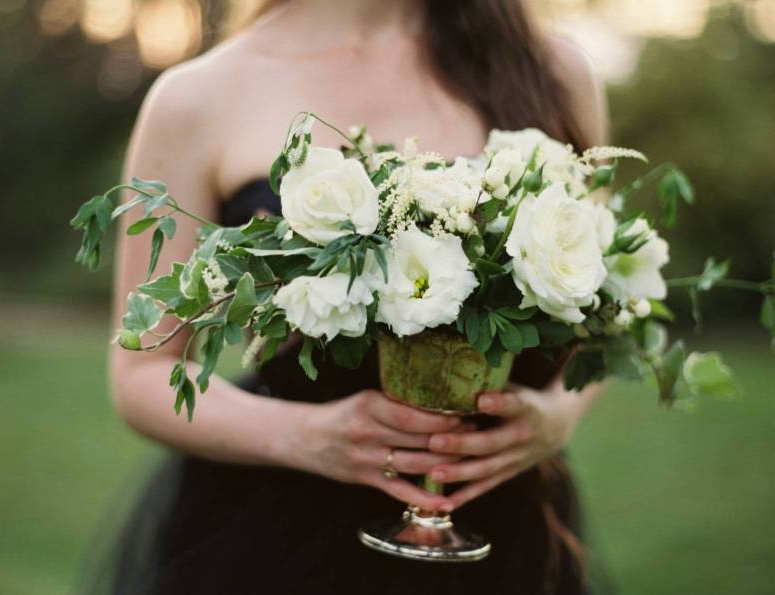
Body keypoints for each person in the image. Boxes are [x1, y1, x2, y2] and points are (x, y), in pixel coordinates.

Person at [93, 1, 609, 593]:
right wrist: (308, 437)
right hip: (279, 528)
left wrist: (555, 418)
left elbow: (602, 304)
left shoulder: (551, 71)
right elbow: (141, 372)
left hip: (495, 521)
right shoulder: (197, 96)